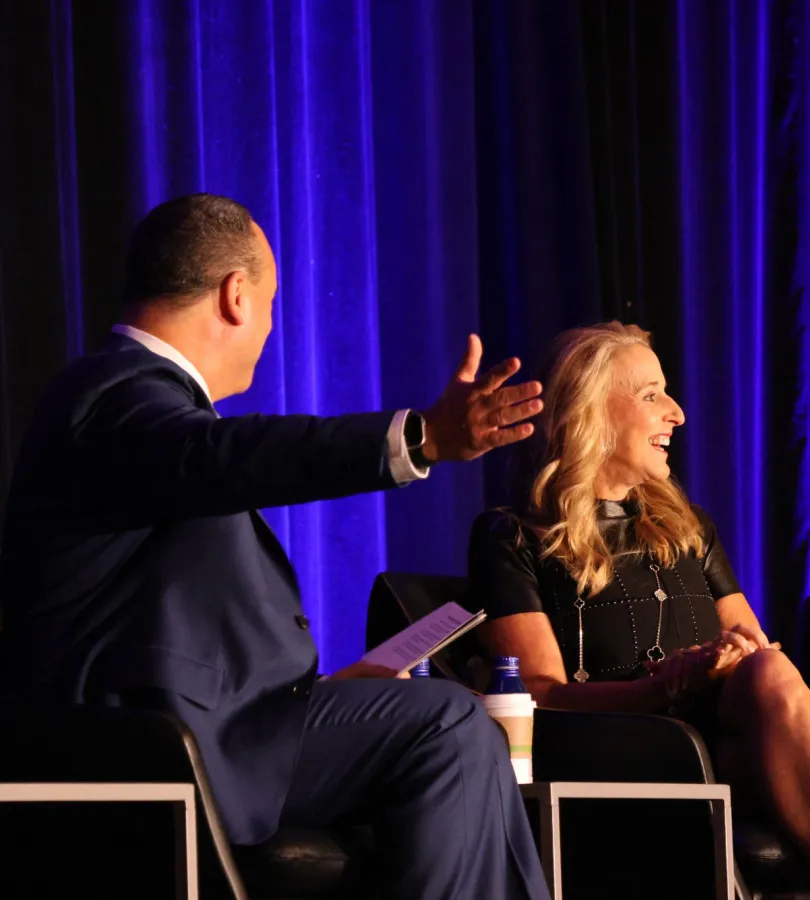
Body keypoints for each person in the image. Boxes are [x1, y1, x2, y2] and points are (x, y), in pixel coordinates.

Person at [0, 194, 551, 900]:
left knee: (445, 726)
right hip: (148, 744)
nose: (267, 328)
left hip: (229, 727)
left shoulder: (128, 412)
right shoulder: (112, 396)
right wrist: (423, 439)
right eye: (269, 302)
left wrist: (318, 690)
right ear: (235, 296)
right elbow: (221, 458)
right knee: (445, 725)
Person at [467, 321, 810, 900]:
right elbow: (539, 695)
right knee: (779, 679)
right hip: (625, 744)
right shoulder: (513, 536)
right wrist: (673, 683)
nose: (677, 413)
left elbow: (758, 649)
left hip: (715, 741)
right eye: (651, 396)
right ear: (592, 410)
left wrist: (732, 657)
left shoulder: (687, 527)